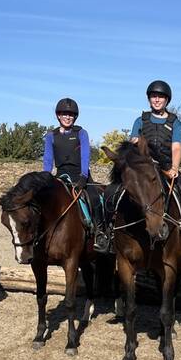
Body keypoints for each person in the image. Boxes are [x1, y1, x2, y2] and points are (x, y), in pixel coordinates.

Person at [103, 80, 181, 255]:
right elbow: (133, 142)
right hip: (143, 168)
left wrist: (174, 168)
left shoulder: (175, 122)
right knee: (111, 193)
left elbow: (176, 147)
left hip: (166, 166)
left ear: (167, 100)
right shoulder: (140, 120)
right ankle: (108, 234)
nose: (157, 99)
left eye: (160, 97)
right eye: (153, 96)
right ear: (149, 99)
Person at [42, 97, 108, 252]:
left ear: (75, 117)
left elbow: (85, 156)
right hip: (61, 174)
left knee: (94, 197)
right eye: (64, 113)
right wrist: (45, 177)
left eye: (71, 114)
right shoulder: (51, 135)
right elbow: (47, 159)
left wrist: (84, 176)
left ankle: (100, 233)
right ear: (58, 115)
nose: (67, 117)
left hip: (80, 174)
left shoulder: (81, 133)